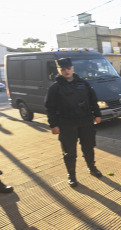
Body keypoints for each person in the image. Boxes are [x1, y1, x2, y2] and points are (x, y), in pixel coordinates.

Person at [45, 57, 103, 188]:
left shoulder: (83, 83)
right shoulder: (54, 88)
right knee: (69, 152)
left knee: (89, 147)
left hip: (86, 121)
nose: (66, 71)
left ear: (73, 68)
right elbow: (50, 108)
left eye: (68, 68)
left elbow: (93, 100)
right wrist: (53, 125)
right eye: (63, 69)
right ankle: (71, 175)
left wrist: (97, 114)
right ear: (58, 70)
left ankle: (92, 168)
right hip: (66, 124)